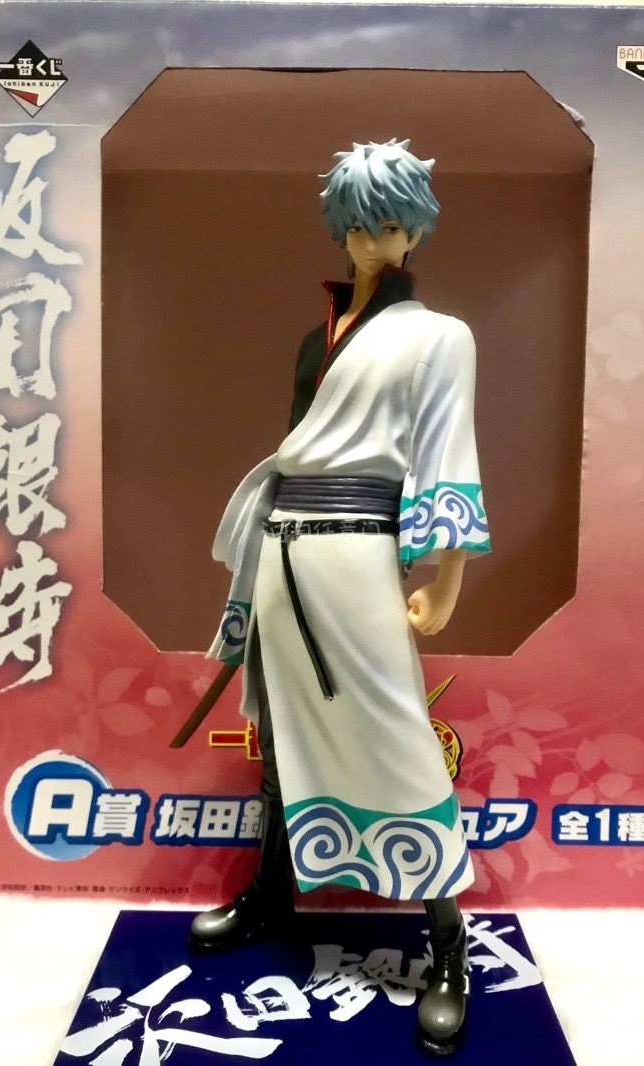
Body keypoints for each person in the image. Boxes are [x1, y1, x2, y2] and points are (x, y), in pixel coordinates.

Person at [191, 139, 490, 1055]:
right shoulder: (312, 338)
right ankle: (273, 894)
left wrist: (446, 577)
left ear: (414, 230)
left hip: (360, 552)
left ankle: (448, 944)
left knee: (395, 731)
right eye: (358, 223)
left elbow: (448, 453)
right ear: (341, 228)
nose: (372, 239)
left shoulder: (440, 336)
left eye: (389, 223)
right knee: (280, 731)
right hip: (283, 550)